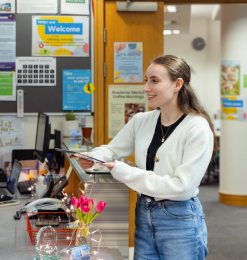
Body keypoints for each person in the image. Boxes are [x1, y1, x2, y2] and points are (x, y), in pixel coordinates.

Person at [75, 55, 213, 260]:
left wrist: (122, 170)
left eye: (154, 81)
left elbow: (181, 187)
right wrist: (93, 157)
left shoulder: (197, 128)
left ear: (178, 84)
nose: (146, 87)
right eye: (146, 80)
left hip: (179, 217)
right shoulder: (141, 120)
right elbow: (112, 149)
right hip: (143, 211)